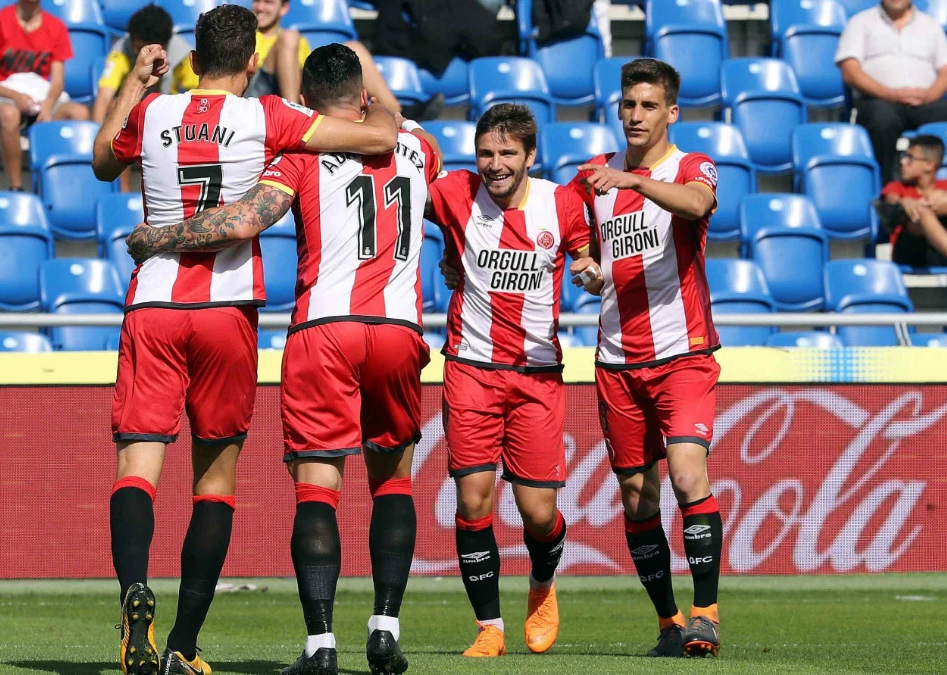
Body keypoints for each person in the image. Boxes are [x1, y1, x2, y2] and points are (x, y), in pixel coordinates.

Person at [90, 5, 398, 674]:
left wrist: (138, 84)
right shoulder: (271, 119)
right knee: (215, 480)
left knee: (137, 465)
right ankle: (184, 643)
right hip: (227, 311)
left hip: (153, 305)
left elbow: (98, 162)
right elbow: (378, 140)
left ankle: (133, 588)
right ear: (253, 62)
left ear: (192, 60)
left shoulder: (155, 113)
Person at [426, 104, 599, 658]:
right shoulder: (454, 192)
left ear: (530, 156)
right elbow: (400, 192)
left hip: (536, 375)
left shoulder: (562, 204)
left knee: (539, 514)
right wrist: (446, 260)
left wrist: (590, 273)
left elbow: (587, 259)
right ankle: (489, 628)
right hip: (470, 369)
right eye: (485, 152)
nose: (494, 164)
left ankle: (543, 588)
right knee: (474, 501)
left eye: (506, 154)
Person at [570, 58, 724, 658]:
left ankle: (707, 616)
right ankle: (668, 622)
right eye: (628, 104)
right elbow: (587, 253)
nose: (636, 115)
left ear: (671, 112)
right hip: (615, 360)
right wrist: (587, 271)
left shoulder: (690, 166)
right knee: (638, 497)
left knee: (688, 476)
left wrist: (635, 182)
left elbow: (694, 204)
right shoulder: (593, 179)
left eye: (648, 105)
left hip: (683, 353)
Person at [835, 0, 947, 185]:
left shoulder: (930, 25)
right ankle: (889, 191)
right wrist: (890, 94)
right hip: (878, 100)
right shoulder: (859, 23)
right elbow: (850, 72)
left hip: (925, 102)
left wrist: (930, 95)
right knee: (882, 120)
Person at [246, 0, 440, 120]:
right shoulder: (247, 34)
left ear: (284, 8)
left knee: (353, 48)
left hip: (297, 88)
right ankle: (293, 117)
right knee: (289, 37)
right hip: (259, 92)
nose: (260, 7)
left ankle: (399, 114)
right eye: (257, 1)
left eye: (268, 2)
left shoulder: (297, 41)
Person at [0, 0, 90, 192]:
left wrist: (48, 104)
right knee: (9, 114)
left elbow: (58, 81)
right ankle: (16, 187)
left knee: (80, 113)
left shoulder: (56, 27)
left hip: (39, 97)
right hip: (1, 97)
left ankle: (62, 187)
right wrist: (14, 95)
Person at [92, 3, 198, 192]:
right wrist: (98, 143)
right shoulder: (121, 51)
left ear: (164, 46)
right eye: (139, 47)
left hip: (168, 118)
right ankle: (124, 192)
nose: (143, 54)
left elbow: (198, 92)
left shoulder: (182, 53)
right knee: (116, 108)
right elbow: (104, 96)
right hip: (133, 115)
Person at [879, 134, 947, 267]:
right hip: (911, 252)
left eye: (910, 158)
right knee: (920, 212)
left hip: (942, 251)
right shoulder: (896, 187)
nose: (903, 162)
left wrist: (934, 201)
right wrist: (906, 202)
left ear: (929, 165)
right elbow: (892, 201)